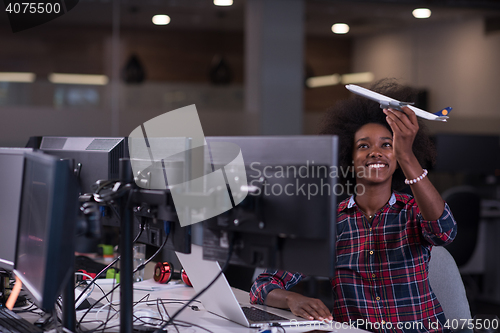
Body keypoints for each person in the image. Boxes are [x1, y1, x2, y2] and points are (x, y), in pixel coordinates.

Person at [249, 79, 457, 332]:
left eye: (387, 145)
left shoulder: (413, 210)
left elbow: (444, 231)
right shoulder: (330, 223)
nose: (375, 152)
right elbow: (262, 285)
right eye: (363, 146)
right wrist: (294, 299)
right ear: (349, 157)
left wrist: (406, 155)